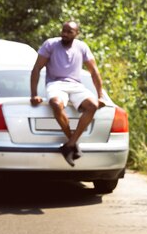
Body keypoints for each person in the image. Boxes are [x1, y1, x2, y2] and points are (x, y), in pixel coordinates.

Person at [30, 20, 105, 166]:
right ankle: (73, 142)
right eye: (63, 31)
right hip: (55, 84)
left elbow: (94, 71)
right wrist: (34, 94)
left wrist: (100, 95)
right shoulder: (50, 45)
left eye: (69, 32)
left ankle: (69, 145)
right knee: (56, 104)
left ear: (77, 33)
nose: (64, 34)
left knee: (92, 105)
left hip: (76, 85)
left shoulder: (82, 47)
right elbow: (36, 68)